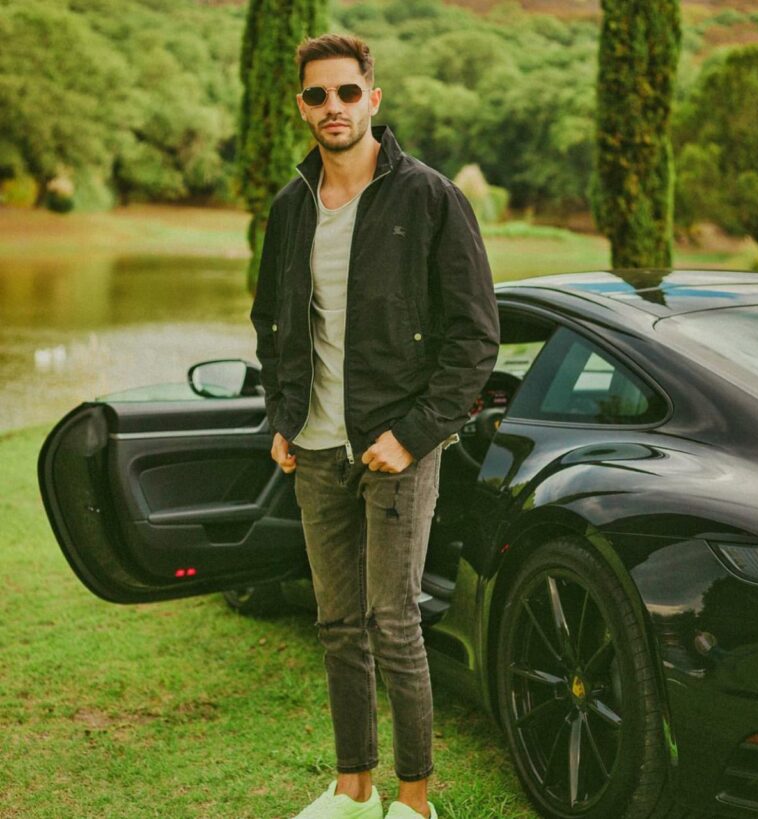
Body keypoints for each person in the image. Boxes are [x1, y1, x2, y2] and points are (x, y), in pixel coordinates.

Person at [250, 32, 500, 819]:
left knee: (394, 624)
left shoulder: (428, 197)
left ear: (373, 99)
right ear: (302, 107)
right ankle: (353, 789)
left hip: (395, 447)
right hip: (315, 448)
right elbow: (271, 322)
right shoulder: (291, 207)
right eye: (318, 95)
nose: (334, 107)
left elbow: (475, 337)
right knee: (337, 624)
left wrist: (414, 434)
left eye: (347, 92)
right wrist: (283, 413)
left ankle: (414, 803)